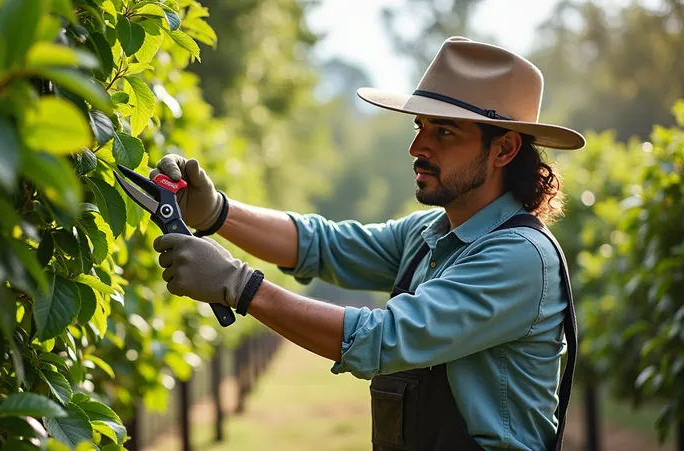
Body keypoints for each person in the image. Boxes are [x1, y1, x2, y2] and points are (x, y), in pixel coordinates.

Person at [150, 37, 582, 451]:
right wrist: (215, 213)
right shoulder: (429, 235)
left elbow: (384, 338)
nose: (417, 146)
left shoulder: (519, 258)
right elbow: (323, 244)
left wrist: (239, 285)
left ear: (504, 149)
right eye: (419, 127)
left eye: (444, 132)